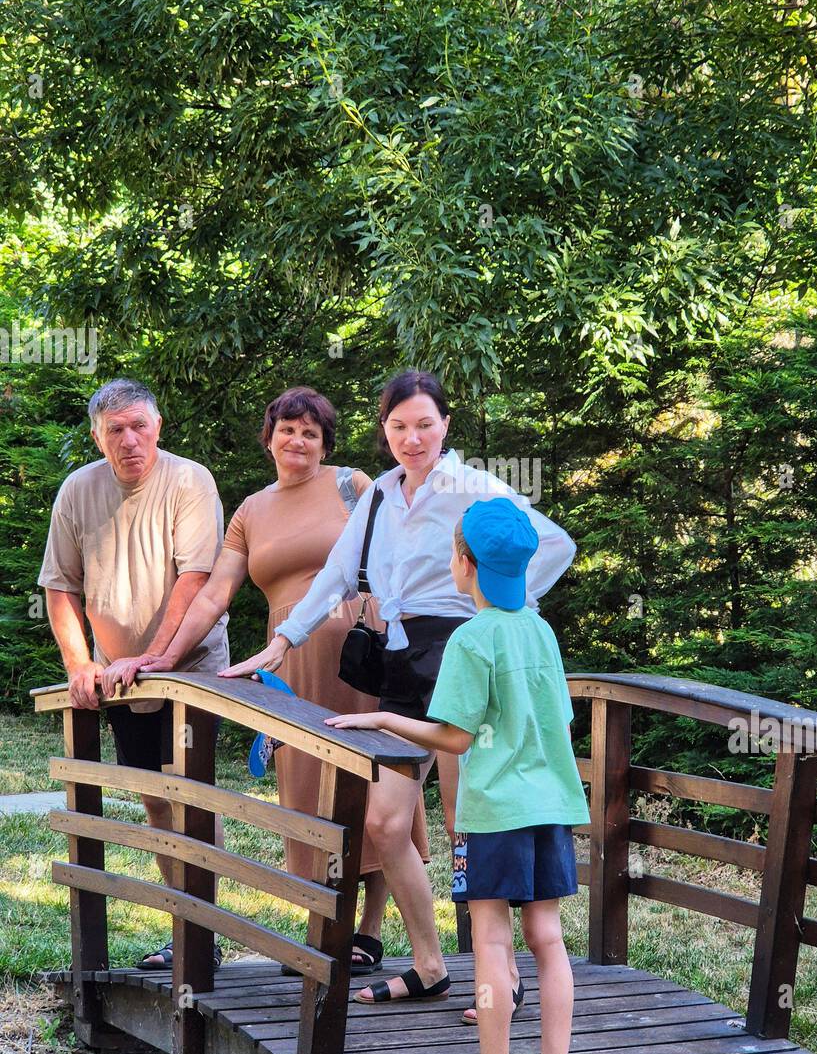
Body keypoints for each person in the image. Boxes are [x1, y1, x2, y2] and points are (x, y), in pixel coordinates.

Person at [222, 369, 576, 1011]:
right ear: (384, 431)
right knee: (386, 824)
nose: (412, 438)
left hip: (464, 653)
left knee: (472, 822)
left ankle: (506, 980)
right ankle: (430, 964)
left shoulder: (474, 487)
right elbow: (334, 574)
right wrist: (283, 641)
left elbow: (553, 544)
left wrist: (499, 613)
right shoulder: (380, 495)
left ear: (445, 425)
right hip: (403, 660)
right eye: (398, 426)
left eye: (424, 424)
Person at [129, 386, 430, 976]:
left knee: (375, 779)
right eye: (288, 429)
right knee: (308, 785)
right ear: (269, 437)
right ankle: (325, 926)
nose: (298, 440)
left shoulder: (354, 485)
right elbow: (215, 592)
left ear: (325, 444)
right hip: (289, 662)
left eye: (311, 433)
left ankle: (367, 931)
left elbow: (404, 557)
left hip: (360, 651)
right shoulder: (250, 510)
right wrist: (165, 653)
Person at [326, 496, 589, 1054]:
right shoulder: (540, 629)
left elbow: (454, 736)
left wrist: (384, 716)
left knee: (493, 941)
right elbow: (562, 718)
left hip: (496, 811)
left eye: (453, 550)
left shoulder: (472, 638)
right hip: (551, 804)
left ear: (463, 563)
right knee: (548, 940)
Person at [37, 378, 230, 969]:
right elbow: (60, 586)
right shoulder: (78, 491)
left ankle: (203, 936)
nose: (129, 440)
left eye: (139, 426)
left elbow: (195, 580)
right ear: (97, 437)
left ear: (158, 427)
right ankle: (184, 929)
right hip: (119, 679)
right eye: (115, 430)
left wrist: (157, 656)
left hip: (189, 667)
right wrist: (79, 664)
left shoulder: (189, 480)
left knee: (191, 797)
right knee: (153, 800)